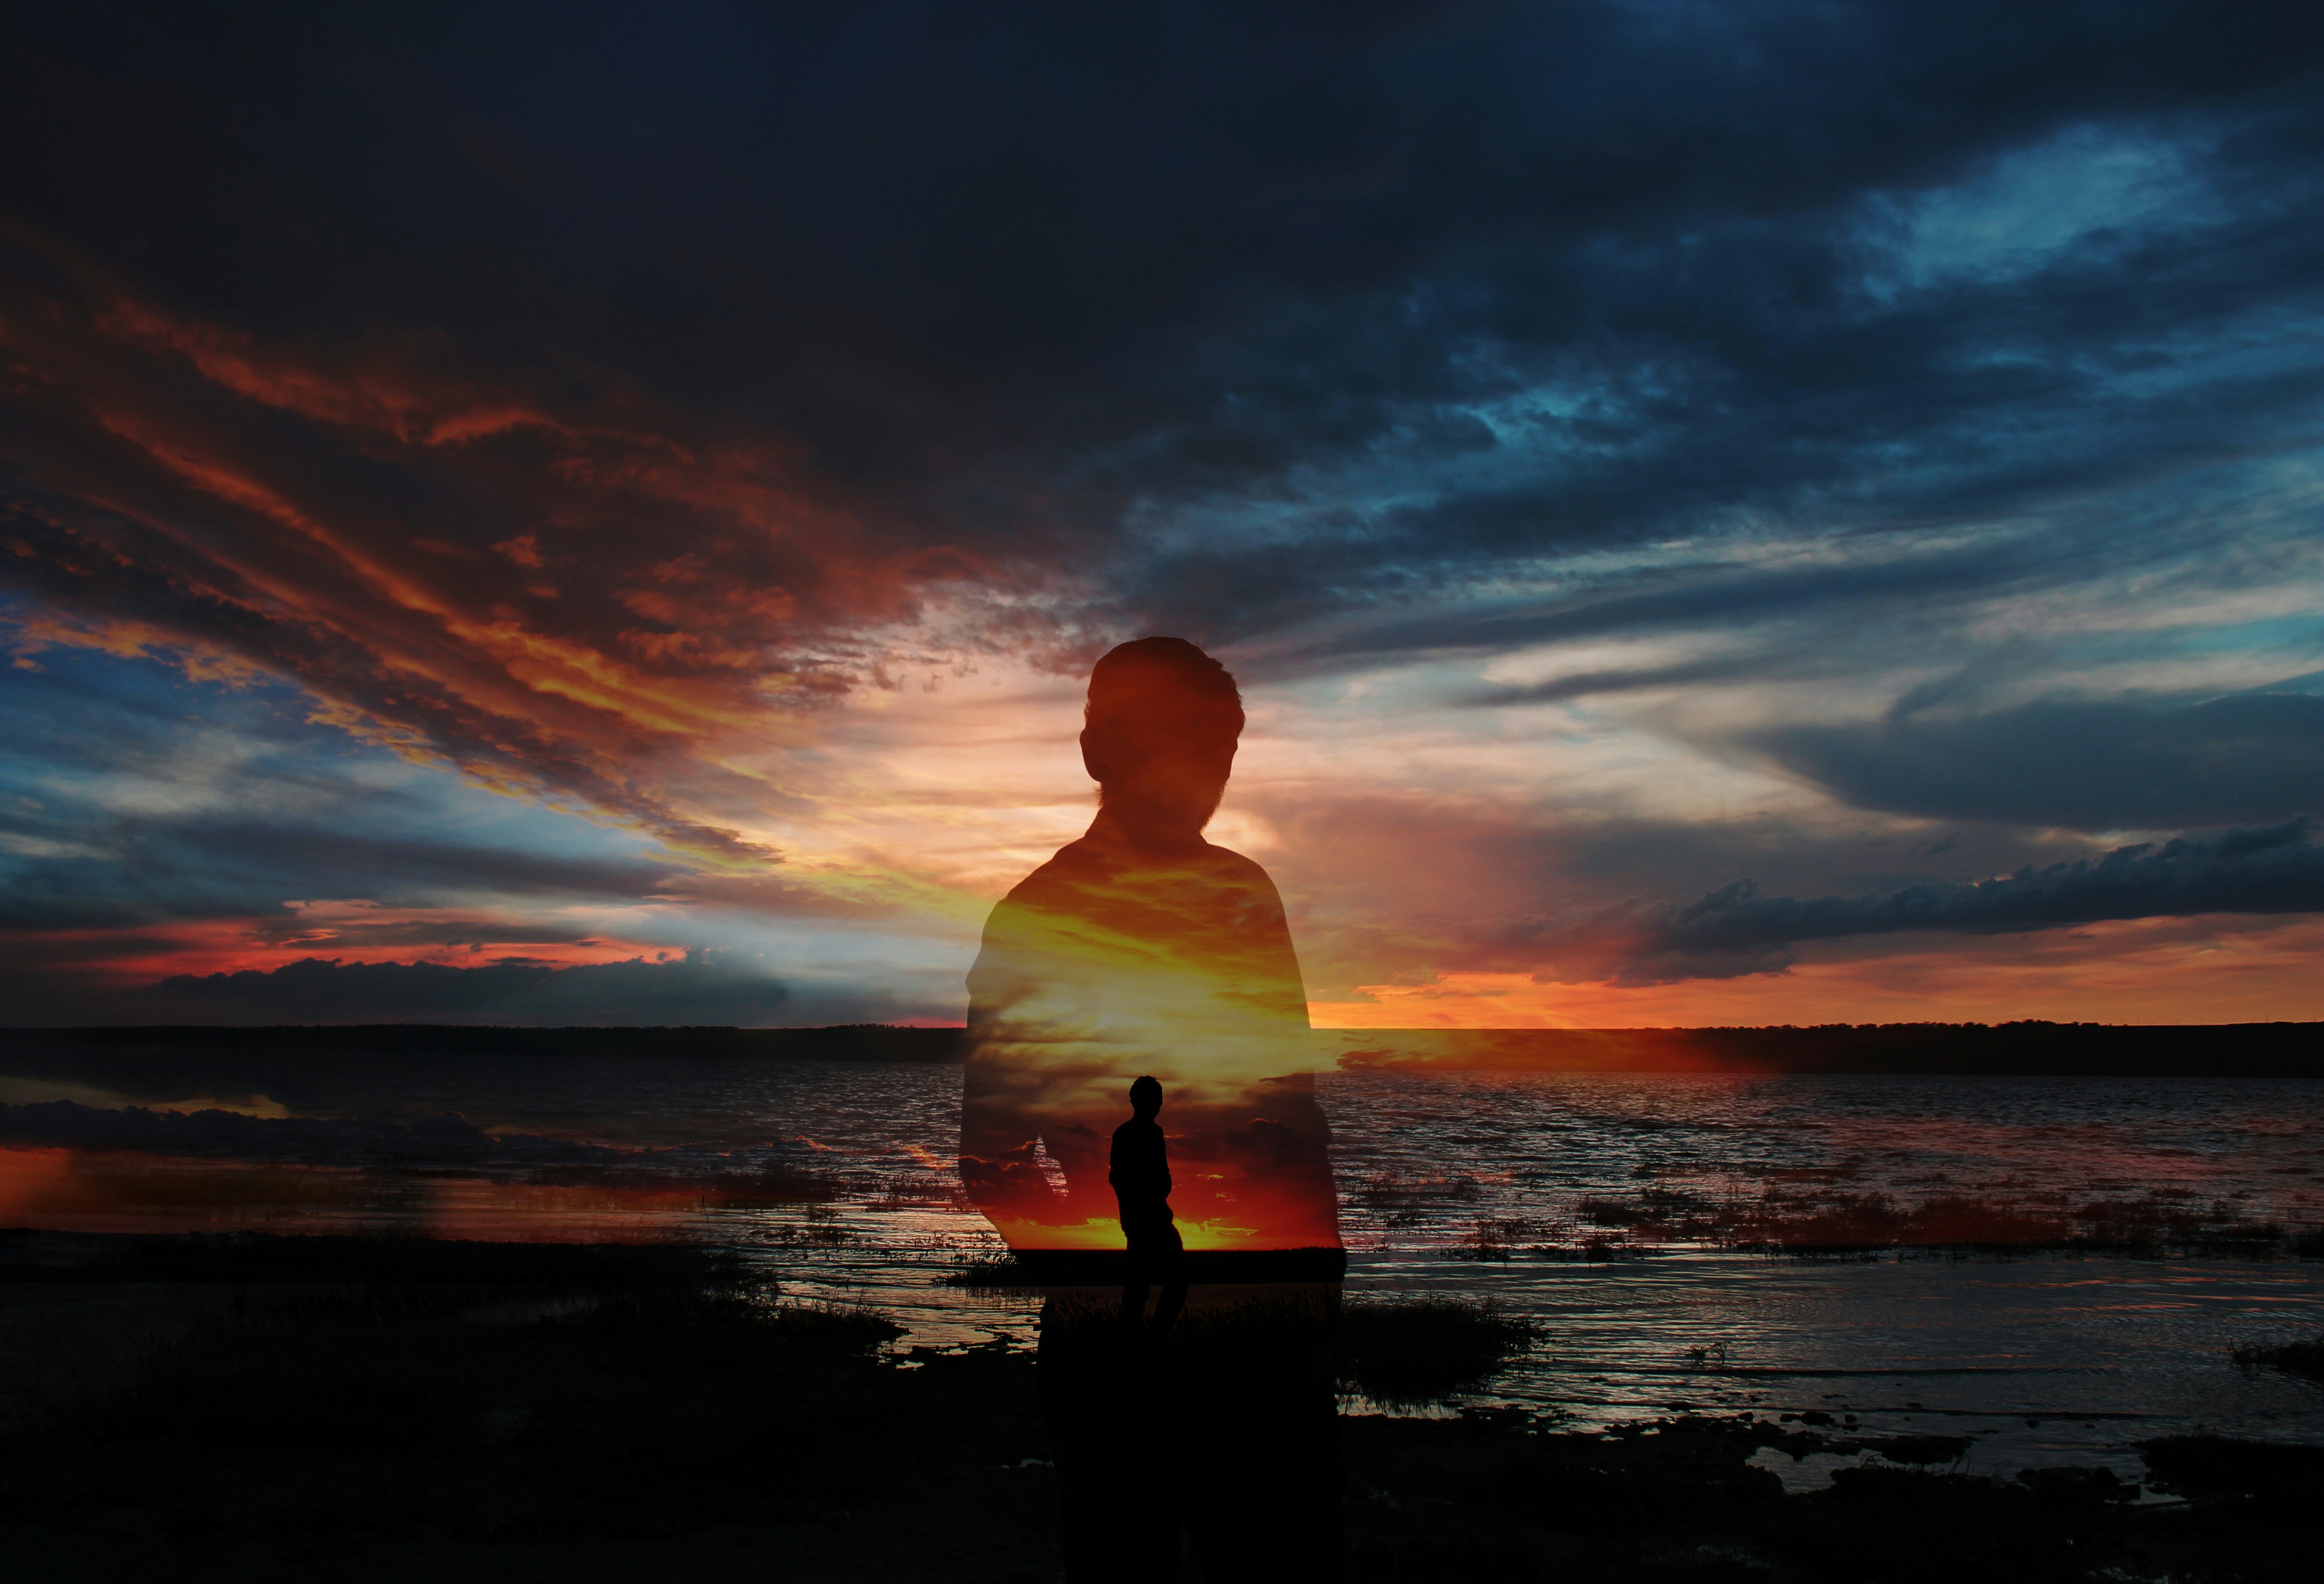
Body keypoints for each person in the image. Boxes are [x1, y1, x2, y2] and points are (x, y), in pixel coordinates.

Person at [1110, 1075, 1186, 1324]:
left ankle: (1146, 1338)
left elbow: (1161, 1180)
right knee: (1158, 1285)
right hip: (1148, 1221)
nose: (1160, 1104)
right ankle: (1151, 1340)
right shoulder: (1139, 1134)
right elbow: (1122, 1180)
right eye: (1156, 1098)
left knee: (1141, 1286)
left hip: (1143, 1220)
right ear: (1140, 1101)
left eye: (1160, 1098)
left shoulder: (1134, 1133)